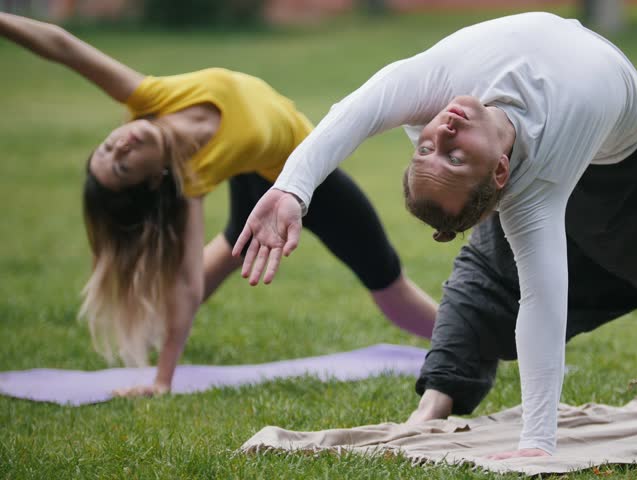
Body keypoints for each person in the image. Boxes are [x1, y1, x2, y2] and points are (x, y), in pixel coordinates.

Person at [236, 12, 637, 458]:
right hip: (566, 162)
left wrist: (292, 191)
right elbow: (542, 298)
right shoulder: (531, 189)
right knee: (483, 278)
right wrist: (538, 444)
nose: (444, 131)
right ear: (498, 176)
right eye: (452, 154)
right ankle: (434, 406)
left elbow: (355, 111)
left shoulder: (444, 94)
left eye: (429, 145)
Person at [0, 13, 437, 397]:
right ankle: (471, 339)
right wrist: (163, 381)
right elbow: (188, 282)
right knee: (392, 291)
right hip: (300, 187)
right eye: (122, 165)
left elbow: (61, 46)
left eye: (107, 147)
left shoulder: (148, 98)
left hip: (260, 172)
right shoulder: (193, 175)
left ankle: (152, 325)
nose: (120, 145)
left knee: (231, 253)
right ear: (152, 180)